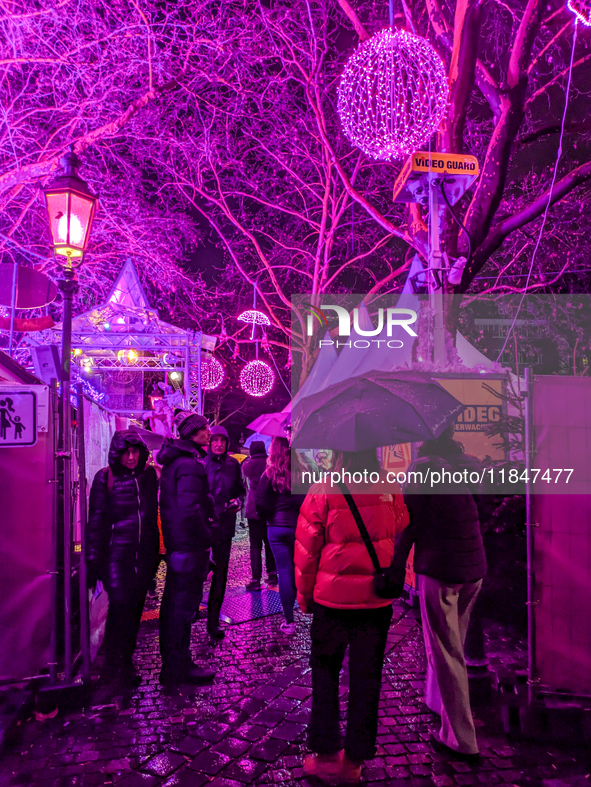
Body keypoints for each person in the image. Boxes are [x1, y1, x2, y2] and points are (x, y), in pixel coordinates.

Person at [295, 448, 409, 783]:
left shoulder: (324, 488)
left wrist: (304, 597)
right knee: (367, 678)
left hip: (331, 602)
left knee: (325, 674)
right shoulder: (389, 485)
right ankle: (356, 757)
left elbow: (306, 550)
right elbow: (400, 524)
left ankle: (325, 750)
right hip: (376, 600)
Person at [391, 424, 487, 762]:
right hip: (473, 565)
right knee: (453, 645)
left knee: (446, 652)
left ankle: (462, 740)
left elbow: (408, 522)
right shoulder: (471, 464)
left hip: (440, 567)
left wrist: (395, 567)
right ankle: (438, 705)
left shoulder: (422, 468)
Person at [87, 430, 159, 686]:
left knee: (135, 611)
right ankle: (112, 664)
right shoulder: (104, 478)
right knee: (119, 608)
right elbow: (96, 522)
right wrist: (94, 562)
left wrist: (154, 558)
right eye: (126, 452)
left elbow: (151, 520)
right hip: (116, 557)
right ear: (117, 453)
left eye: (135, 452)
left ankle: (125, 661)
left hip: (143, 557)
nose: (131, 457)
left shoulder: (149, 476)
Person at [156, 412, 217, 686]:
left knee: (173, 607)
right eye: (204, 428)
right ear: (194, 433)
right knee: (181, 609)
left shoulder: (176, 461)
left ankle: (173, 665)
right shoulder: (189, 465)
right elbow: (189, 509)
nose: (209, 431)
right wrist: (208, 538)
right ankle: (179, 667)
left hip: (177, 544)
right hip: (189, 547)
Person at [255, 436, 304, 635]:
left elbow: (260, 503)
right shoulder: (300, 473)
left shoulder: (268, 474)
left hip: (276, 528)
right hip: (297, 527)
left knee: (284, 572)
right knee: (298, 569)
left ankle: (289, 622)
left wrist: (270, 517)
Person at [204, 425, 245, 640]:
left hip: (225, 527)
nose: (218, 444)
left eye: (222, 440)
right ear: (210, 443)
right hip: (204, 528)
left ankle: (212, 623)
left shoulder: (233, 465)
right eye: (215, 440)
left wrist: (237, 501)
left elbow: (240, 490)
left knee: (220, 576)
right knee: (199, 573)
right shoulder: (202, 464)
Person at [242, 441, 277, 591]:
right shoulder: (270, 464)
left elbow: (244, 473)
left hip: (253, 509)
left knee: (255, 547)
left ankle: (255, 579)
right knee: (269, 544)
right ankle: (272, 575)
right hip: (269, 508)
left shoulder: (247, 465)